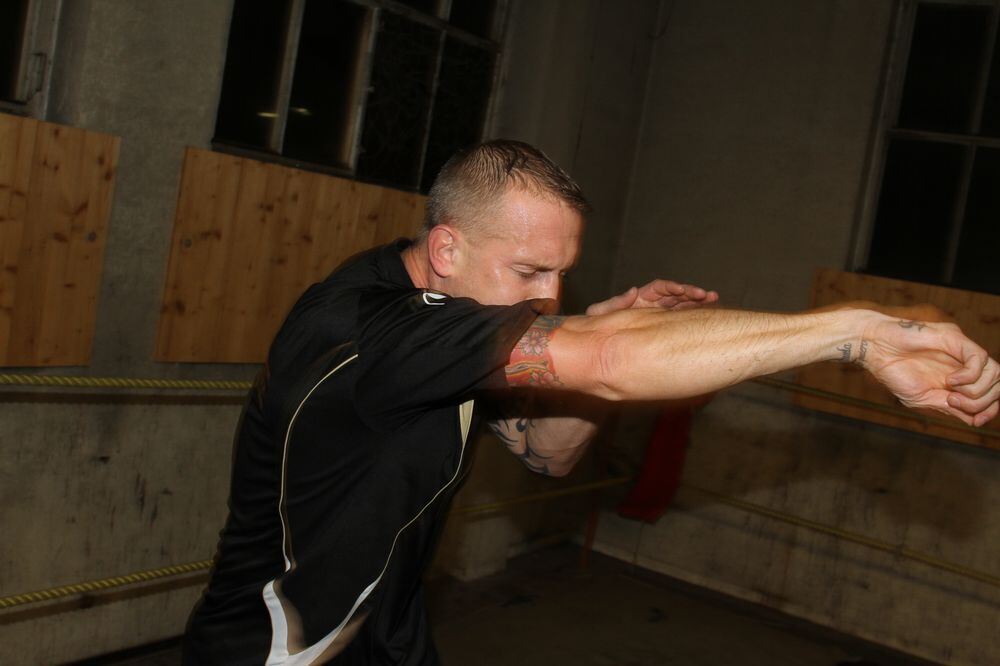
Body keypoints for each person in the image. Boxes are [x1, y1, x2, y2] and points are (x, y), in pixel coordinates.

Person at [183, 140, 999, 665]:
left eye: (563, 275)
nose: (549, 297)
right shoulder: (379, 333)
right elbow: (608, 364)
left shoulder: (437, 302)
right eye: (531, 273)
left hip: (387, 640)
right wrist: (855, 333)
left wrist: (580, 346)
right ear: (447, 247)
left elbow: (551, 453)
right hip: (270, 652)